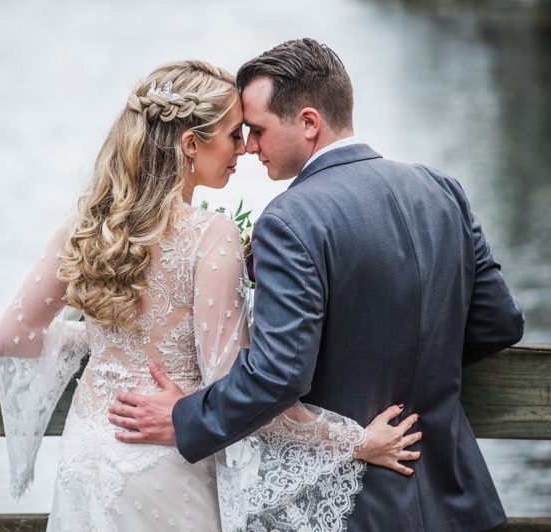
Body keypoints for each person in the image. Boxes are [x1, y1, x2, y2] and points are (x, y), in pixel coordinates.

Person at [109, 39, 526, 531]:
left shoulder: (291, 220)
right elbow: (500, 322)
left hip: (357, 506)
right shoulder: (441, 189)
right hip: (458, 499)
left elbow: (279, 373)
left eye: (258, 131)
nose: (249, 146)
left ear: (309, 123)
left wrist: (185, 417)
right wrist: (413, 365)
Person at [0, 60, 419, 532]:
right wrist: (355, 441)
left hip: (86, 459)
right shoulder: (210, 235)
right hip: (164, 468)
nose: (245, 149)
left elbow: (10, 338)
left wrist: (94, 342)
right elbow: (236, 387)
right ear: (191, 144)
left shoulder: (87, 227)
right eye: (234, 135)